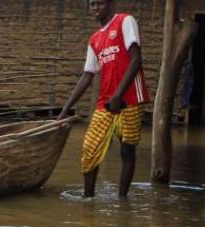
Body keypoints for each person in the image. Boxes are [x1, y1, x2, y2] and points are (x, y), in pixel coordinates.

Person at [58, 0, 150, 198]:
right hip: (106, 102)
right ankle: (88, 199)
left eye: (99, 3)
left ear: (110, 4)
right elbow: (87, 75)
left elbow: (136, 59)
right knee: (90, 148)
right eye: (92, 4)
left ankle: (122, 199)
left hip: (131, 97)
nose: (95, 8)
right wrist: (66, 109)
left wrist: (119, 95)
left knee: (127, 150)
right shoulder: (95, 39)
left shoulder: (125, 21)